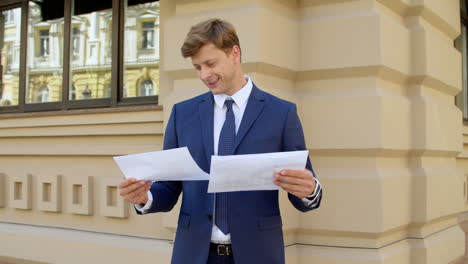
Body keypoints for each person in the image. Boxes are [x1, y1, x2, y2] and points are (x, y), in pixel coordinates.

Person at [119, 18, 323, 264]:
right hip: (194, 254)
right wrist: (144, 197)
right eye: (197, 67)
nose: (205, 74)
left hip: (258, 254)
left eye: (210, 63)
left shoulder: (281, 113)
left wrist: (309, 191)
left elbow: (303, 185)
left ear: (234, 53)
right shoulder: (182, 114)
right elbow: (170, 186)